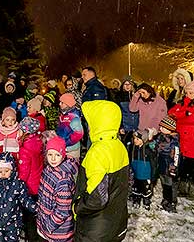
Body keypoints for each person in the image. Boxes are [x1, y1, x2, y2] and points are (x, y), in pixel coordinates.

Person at [73, 100, 129, 242]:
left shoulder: (97, 153)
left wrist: (77, 207)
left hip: (95, 229)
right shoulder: (119, 145)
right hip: (115, 222)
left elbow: (97, 198)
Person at [0, 152, 36, 242]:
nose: (3, 174)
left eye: (6, 171)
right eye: (0, 171)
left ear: (13, 170)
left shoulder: (18, 184)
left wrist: (35, 208)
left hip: (13, 224)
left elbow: (25, 200)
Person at [168, 80, 194, 199]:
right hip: (183, 141)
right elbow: (171, 112)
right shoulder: (183, 103)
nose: (188, 95)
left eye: (191, 93)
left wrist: (180, 117)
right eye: (186, 92)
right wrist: (186, 113)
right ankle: (183, 189)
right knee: (183, 167)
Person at [37, 136, 78, 242]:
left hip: (58, 231)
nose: (53, 159)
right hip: (46, 224)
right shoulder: (48, 170)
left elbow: (63, 210)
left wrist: (49, 225)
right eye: (50, 154)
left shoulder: (62, 180)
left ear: (63, 155)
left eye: (57, 155)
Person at [17, 117, 44, 241]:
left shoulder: (25, 149)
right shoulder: (38, 142)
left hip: (28, 187)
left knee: (28, 215)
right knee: (34, 214)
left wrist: (18, 184)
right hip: (37, 184)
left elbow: (24, 172)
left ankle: (30, 237)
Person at [154, 116, 180, 213]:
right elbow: (156, 146)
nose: (160, 129)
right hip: (161, 164)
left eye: (163, 128)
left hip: (169, 166)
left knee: (170, 185)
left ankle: (171, 203)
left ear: (170, 129)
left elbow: (176, 156)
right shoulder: (161, 136)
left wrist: (173, 168)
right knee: (164, 184)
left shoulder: (174, 141)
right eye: (160, 127)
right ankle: (165, 201)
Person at [129, 129, 157, 210]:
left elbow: (153, 164)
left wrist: (153, 176)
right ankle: (136, 201)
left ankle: (146, 203)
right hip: (136, 174)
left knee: (146, 190)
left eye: (137, 139)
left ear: (143, 139)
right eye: (134, 138)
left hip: (145, 175)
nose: (135, 140)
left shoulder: (148, 150)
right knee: (136, 189)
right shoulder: (134, 149)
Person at [56, 93, 84, 160]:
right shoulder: (64, 115)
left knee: (71, 168)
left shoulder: (73, 117)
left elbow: (79, 134)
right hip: (65, 147)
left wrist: (67, 142)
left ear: (68, 104)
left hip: (71, 149)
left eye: (62, 103)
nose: (59, 104)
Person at [115, 76, 139, 147]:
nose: (128, 86)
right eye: (126, 84)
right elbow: (118, 112)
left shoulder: (137, 96)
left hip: (137, 126)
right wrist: (120, 126)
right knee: (125, 146)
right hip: (125, 126)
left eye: (129, 84)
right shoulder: (119, 96)